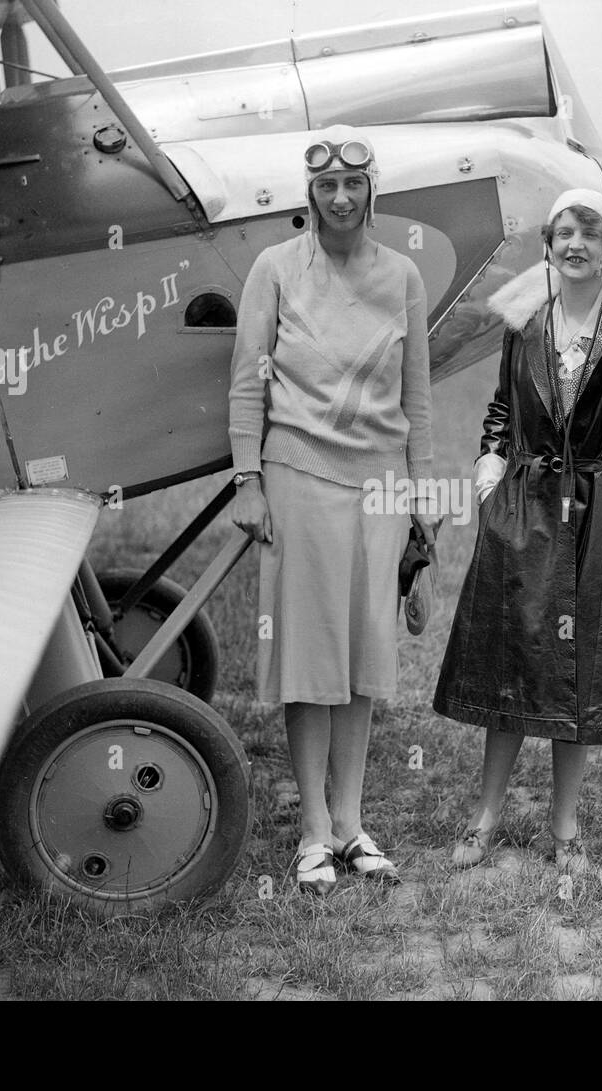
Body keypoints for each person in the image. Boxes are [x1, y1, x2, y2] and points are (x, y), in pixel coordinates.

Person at [433, 188, 602, 874]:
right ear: (548, 245)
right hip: (524, 507)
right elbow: (500, 411)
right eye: (564, 231)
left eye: (591, 232)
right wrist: (491, 482)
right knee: (512, 655)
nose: (576, 242)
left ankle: (565, 824)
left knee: (578, 673)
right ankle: (486, 814)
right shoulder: (525, 320)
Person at [228, 126, 440, 894]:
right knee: (309, 658)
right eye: (326, 187)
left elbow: (417, 395)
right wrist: (246, 477)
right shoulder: (275, 268)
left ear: (372, 191)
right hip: (297, 472)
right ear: (309, 194)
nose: (341, 199)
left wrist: (422, 491)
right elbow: (249, 381)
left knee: (363, 656)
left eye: (354, 186)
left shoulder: (405, 277)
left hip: (381, 482)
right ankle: (313, 829)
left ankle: (352, 823)